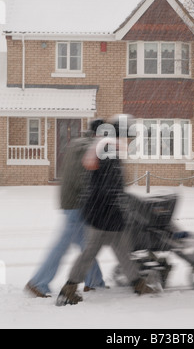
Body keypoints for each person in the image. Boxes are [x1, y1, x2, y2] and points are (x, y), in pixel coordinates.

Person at [56, 114, 158, 306]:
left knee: (121, 251)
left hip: (104, 212)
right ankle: (68, 289)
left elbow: (107, 183)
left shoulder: (105, 148)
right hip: (103, 213)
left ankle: (138, 284)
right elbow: (106, 184)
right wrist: (117, 201)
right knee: (91, 253)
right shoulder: (107, 151)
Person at [25, 119, 106, 298]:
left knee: (87, 245)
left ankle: (95, 282)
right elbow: (82, 178)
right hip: (77, 204)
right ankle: (38, 282)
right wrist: (92, 198)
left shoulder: (77, 144)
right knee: (64, 245)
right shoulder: (88, 148)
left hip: (70, 201)